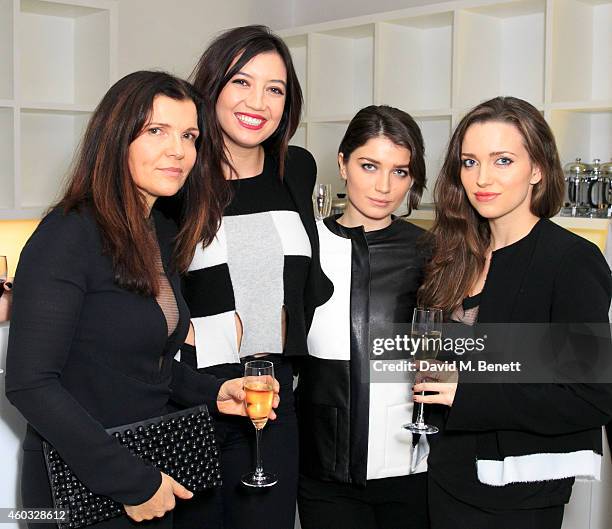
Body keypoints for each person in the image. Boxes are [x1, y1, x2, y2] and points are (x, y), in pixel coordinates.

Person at [5, 70, 279, 529]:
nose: (178, 150)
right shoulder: (67, 235)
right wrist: (132, 481)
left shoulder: (158, 232)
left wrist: (215, 392)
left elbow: (141, 364)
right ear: (116, 139)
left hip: (147, 468)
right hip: (82, 486)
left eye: (189, 135)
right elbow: (30, 385)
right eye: (156, 131)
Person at [162, 25, 333, 529]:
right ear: (212, 87)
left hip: (270, 394)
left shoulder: (296, 168)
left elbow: (306, 278)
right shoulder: (177, 178)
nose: (258, 100)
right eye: (241, 82)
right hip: (191, 397)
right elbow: (144, 286)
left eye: (274, 88)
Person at [415, 96, 612, 529]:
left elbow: (590, 396)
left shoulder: (571, 261)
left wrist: (465, 391)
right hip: (442, 476)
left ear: (537, 169)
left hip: (517, 497)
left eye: (502, 160)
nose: (481, 178)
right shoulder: (453, 252)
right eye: (469, 162)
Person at [296, 105, 430, 529]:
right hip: (322, 468)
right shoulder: (305, 243)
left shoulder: (430, 250)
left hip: (410, 467)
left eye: (400, 172)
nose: (384, 186)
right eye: (369, 165)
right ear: (343, 164)